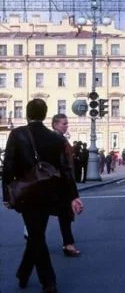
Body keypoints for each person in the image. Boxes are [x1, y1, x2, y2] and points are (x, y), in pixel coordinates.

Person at [2, 99, 83, 293]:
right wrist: (74, 196)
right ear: (45, 115)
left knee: (35, 235)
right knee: (36, 233)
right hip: (49, 192)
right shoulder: (55, 139)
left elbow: (8, 166)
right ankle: (23, 273)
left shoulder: (17, 134)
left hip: (26, 192)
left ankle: (49, 282)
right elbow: (66, 170)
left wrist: (6, 194)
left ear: (27, 114)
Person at [51, 114, 81, 258]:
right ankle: (68, 244)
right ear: (55, 124)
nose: (66, 126)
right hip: (60, 183)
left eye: (67, 123)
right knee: (65, 215)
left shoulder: (61, 139)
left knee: (64, 215)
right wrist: (73, 192)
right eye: (64, 124)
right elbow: (64, 165)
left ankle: (67, 243)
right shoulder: (57, 140)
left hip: (59, 182)